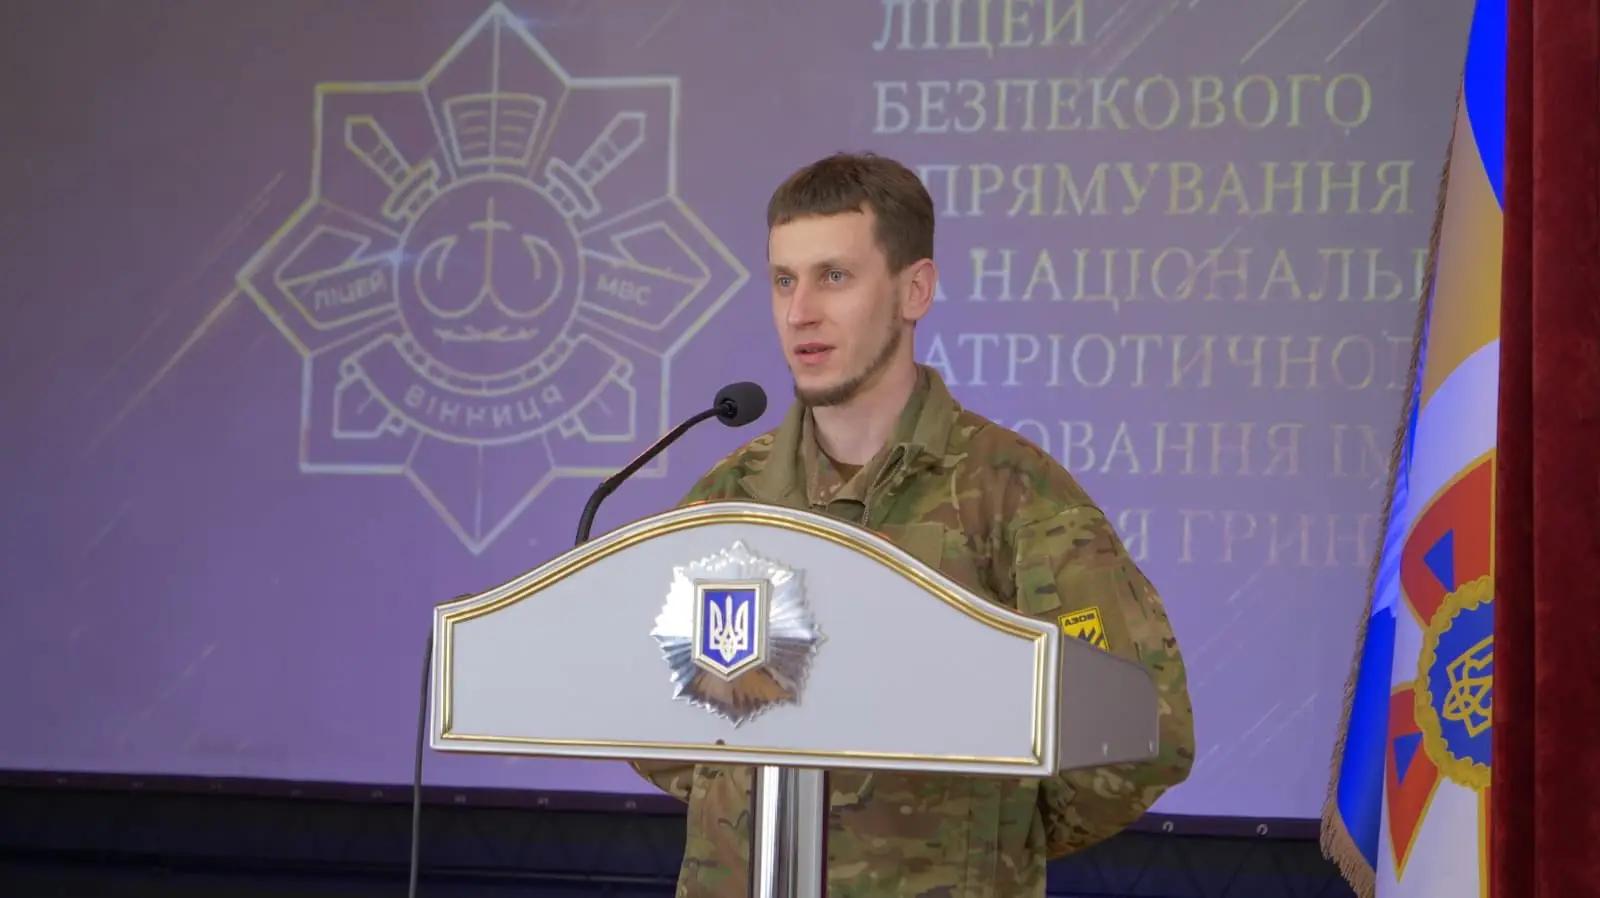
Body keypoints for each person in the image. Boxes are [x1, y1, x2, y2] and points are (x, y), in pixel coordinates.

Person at [632, 151, 1194, 897]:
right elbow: (647, 702)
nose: (800, 312)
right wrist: (741, 798)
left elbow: (1143, 730)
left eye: (835, 276)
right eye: (784, 280)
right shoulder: (729, 497)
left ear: (914, 290)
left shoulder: (1014, 496)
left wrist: (986, 832)